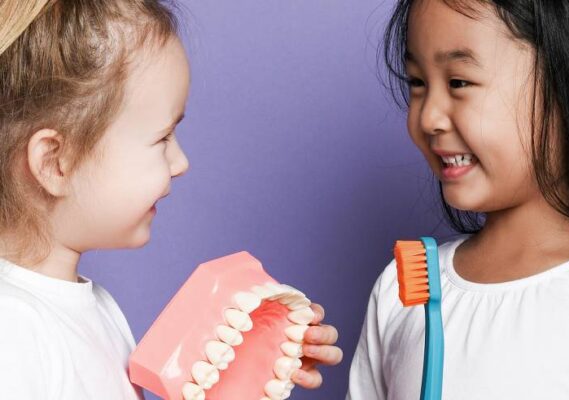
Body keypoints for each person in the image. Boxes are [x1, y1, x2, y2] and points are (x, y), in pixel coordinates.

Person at [0, 1, 342, 398]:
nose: (180, 162)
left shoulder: (95, 309)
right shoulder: (12, 326)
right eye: (162, 138)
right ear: (55, 162)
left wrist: (238, 377)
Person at [347, 0, 569, 398]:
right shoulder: (401, 292)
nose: (429, 117)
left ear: (566, 80)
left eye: (458, 82)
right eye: (417, 82)